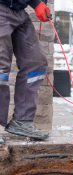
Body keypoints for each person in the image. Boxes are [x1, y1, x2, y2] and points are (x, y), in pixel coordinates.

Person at [0, 0, 51, 140]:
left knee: (36, 63)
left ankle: (22, 120)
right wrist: (36, 2)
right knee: (1, 69)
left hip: (18, 11)